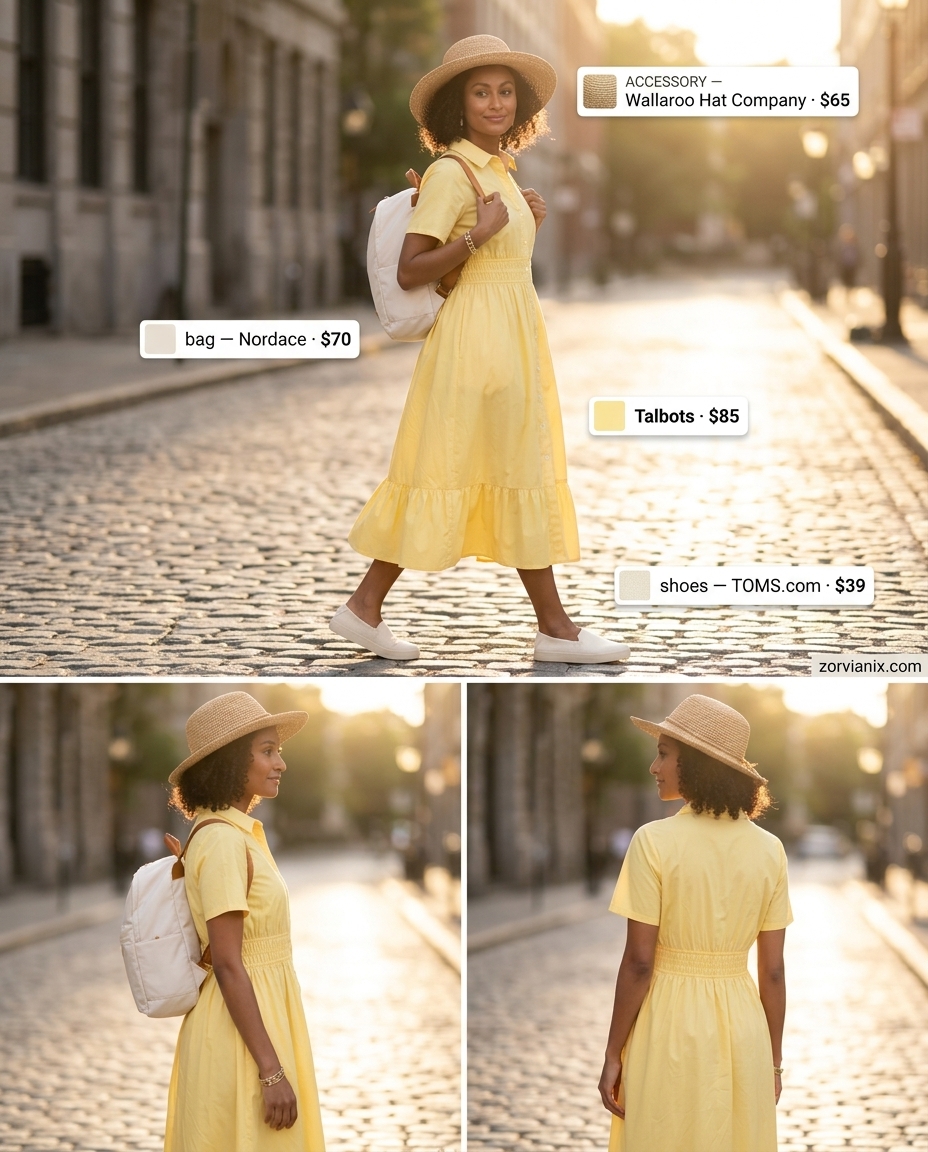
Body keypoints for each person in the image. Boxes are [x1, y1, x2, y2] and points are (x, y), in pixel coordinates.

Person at [329, 35, 630, 666]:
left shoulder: (500, 172)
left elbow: (500, 258)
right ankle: (555, 628)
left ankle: (366, 608)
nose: (495, 103)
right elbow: (413, 268)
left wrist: (525, 223)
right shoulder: (450, 171)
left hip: (510, 339)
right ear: (457, 106)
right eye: (481, 92)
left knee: (497, 469)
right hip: (474, 346)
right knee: (458, 468)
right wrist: (480, 237)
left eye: (505, 92)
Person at [598, 695, 791, 1152]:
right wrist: (774, 1061)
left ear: (697, 764)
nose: (654, 766)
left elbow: (639, 963)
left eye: (664, 753)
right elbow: (774, 972)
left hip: (668, 1025)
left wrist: (612, 1054)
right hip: (743, 1029)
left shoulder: (653, 842)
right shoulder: (770, 850)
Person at [164, 691, 326, 1152]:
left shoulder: (235, 833)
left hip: (261, 1019)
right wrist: (271, 1071)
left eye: (279, 751)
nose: (281, 763)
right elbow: (230, 963)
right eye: (268, 751)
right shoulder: (222, 841)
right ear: (234, 761)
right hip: (240, 1036)